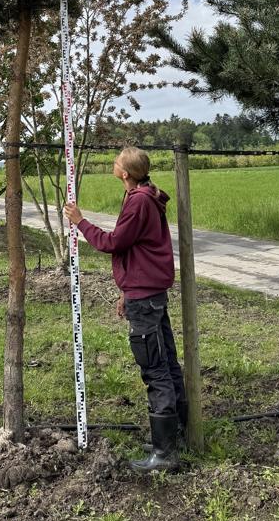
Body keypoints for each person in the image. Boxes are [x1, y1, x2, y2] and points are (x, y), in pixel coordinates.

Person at [64, 146, 187, 473]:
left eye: (116, 163)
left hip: (145, 297)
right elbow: (136, 249)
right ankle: (175, 436)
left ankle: (165, 455)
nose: (113, 165)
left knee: (154, 367)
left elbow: (113, 243)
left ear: (125, 173)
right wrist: (126, 290)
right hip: (147, 291)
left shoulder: (138, 202)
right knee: (166, 362)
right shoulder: (147, 195)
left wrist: (80, 222)